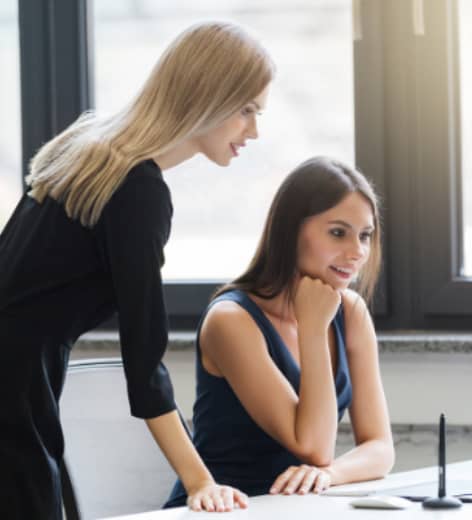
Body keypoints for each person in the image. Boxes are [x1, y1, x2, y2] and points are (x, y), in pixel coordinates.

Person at [0, 21, 274, 519]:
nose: (253, 131)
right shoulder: (137, 189)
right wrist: (200, 482)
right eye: (247, 110)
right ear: (208, 96)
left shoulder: (87, 146)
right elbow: (144, 361)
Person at [165, 156, 395, 506]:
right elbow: (314, 447)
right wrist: (314, 329)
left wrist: (329, 475)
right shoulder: (231, 320)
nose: (357, 252)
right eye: (338, 233)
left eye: (365, 236)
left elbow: (380, 448)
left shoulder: (351, 312)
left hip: (294, 505)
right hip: (224, 509)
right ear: (290, 231)